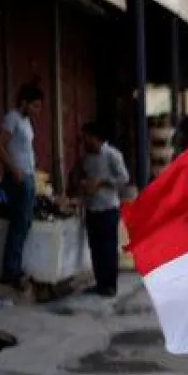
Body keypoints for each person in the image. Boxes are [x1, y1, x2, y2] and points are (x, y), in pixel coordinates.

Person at [0, 82, 43, 289]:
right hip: (18, 179)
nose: (37, 111)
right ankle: (11, 270)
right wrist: (14, 169)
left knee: (25, 224)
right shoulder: (12, 118)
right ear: (24, 103)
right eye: (34, 106)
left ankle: (17, 266)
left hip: (29, 177)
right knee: (18, 224)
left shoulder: (26, 122)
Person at [77, 121, 131, 297]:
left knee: (108, 249)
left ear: (95, 138)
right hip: (92, 207)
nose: (84, 141)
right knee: (95, 248)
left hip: (108, 207)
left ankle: (110, 285)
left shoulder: (112, 155)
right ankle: (99, 282)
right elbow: (83, 175)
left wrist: (101, 183)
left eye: (86, 137)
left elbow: (124, 178)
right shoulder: (87, 158)